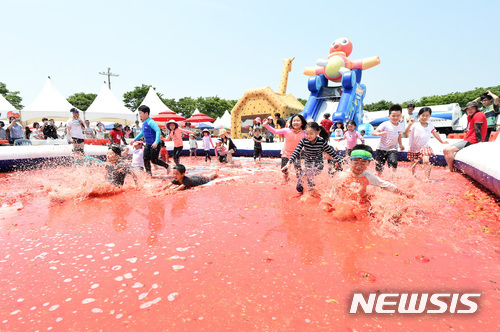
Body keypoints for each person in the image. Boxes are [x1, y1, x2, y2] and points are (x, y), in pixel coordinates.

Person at [319, 144, 413, 219]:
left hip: (363, 202)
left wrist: (403, 194)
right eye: (355, 161)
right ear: (350, 161)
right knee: (340, 216)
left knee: (380, 213)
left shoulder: (368, 176)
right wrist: (328, 204)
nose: (359, 165)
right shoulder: (343, 175)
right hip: (347, 203)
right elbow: (334, 190)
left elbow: (386, 185)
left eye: (363, 162)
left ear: (369, 163)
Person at [282, 121, 342, 196]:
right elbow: (296, 152)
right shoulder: (304, 141)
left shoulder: (322, 142)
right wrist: (288, 164)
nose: (309, 136)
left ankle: (311, 194)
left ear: (317, 132)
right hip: (308, 166)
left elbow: (332, 153)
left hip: (318, 165)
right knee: (299, 188)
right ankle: (311, 189)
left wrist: (340, 162)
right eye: (307, 134)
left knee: (310, 177)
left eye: (311, 134)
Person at [404, 107, 449, 180]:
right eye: (423, 115)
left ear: (430, 116)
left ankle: (427, 178)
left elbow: (435, 134)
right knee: (413, 163)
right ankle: (414, 176)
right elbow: (406, 133)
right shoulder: (414, 125)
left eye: (427, 115)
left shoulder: (430, 125)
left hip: (425, 146)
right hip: (413, 147)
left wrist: (442, 141)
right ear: (419, 116)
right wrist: (409, 124)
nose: (424, 117)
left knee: (426, 161)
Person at [443, 101, 487, 172]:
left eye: (472, 108)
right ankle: (453, 167)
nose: (470, 110)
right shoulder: (469, 116)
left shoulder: (479, 114)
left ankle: (451, 169)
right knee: (445, 150)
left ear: (476, 109)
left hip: (472, 140)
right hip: (467, 139)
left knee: (448, 150)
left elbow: (477, 129)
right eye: (468, 109)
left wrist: (479, 144)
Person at [263, 114, 306, 182]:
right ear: (291, 122)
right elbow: (275, 131)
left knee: (298, 170)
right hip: (286, 153)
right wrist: (266, 125)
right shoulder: (287, 130)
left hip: (296, 154)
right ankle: (286, 181)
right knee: (284, 170)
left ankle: (300, 183)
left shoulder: (304, 133)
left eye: (298, 121)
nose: (296, 122)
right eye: (294, 121)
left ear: (302, 123)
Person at [133, 105, 171, 176]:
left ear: (146, 113)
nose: (139, 115)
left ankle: (167, 166)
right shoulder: (144, 123)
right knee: (145, 159)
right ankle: (149, 174)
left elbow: (158, 131)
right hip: (148, 144)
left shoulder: (151, 122)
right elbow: (142, 133)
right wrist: (135, 139)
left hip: (154, 144)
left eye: (140, 113)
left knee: (154, 160)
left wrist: (156, 142)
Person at [372, 104, 405, 176]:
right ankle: (379, 178)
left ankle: (392, 178)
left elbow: (399, 136)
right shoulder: (385, 124)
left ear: (400, 116)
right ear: (389, 116)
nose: (395, 117)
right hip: (381, 148)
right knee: (379, 166)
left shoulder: (401, 126)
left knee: (393, 162)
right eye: (393, 116)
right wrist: (379, 133)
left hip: (393, 148)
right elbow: (374, 132)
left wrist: (400, 144)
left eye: (397, 116)